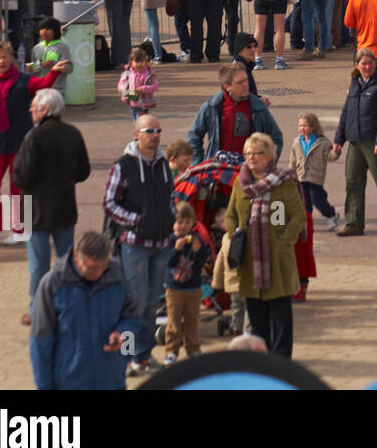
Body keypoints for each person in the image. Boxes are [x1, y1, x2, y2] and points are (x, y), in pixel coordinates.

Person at [0, 43, 69, 244]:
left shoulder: (24, 80)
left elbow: (43, 84)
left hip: (20, 142)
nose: (1, 61)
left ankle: (19, 229)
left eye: (5, 57)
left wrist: (54, 73)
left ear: (12, 59)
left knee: (18, 187)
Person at [102, 112, 174, 374]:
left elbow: (170, 197)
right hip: (135, 245)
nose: (155, 136)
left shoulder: (164, 163)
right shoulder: (123, 165)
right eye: (149, 131)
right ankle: (125, 357)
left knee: (152, 303)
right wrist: (136, 220)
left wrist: (171, 217)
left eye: (158, 131)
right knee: (134, 303)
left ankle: (142, 356)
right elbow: (109, 203)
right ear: (137, 134)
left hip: (162, 242)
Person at [11, 88, 90, 325]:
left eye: (34, 106)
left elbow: (20, 175)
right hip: (65, 206)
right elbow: (83, 171)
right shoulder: (73, 134)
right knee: (66, 262)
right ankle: (66, 306)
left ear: (45, 110)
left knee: (38, 264)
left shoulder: (33, 137)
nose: (30, 109)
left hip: (35, 209)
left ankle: (38, 310)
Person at [226, 131, 305, 356]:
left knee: (280, 317)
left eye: (257, 153)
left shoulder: (283, 182)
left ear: (270, 155)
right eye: (247, 153)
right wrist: (235, 236)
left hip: (277, 260)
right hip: (250, 261)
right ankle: (261, 361)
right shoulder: (239, 184)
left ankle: (280, 361)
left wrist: (283, 243)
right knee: (256, 315)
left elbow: (297, 216)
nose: (251, 158)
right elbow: (231, 215)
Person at [29, 231, 138, 390]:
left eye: (103, 266)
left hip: (112, 382)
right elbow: (40, 342)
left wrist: (123, 335)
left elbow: (133, 317)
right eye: (92, 268)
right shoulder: (52, 284)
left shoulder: (117, 276)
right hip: (70, 383)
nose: (99, 273)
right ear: (76, 258)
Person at [332, 47, 377, 237]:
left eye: (371, 63)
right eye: (363, 63)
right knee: (353, 182)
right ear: (356, 65)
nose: (367, 66)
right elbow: (346, 112)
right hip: (355, 141)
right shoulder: (354, 84)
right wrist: (339, 139)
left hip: (373, 142)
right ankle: (354, 222)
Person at [187, 63, 282, 162]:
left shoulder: (258, 107)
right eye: (240, 82)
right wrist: (198, 164)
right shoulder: (212, 106)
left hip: (248, 169)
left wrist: (266, 165)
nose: (245, 85)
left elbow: (276, 138)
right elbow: (194, 135)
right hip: (217, 168)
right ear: (227, 86)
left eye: (246, 80)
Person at [162, 200, 209, 364]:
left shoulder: (196, 240)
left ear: (192, 224)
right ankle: (171, 351)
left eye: (187, 222)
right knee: (173, 322)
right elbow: (169, 263)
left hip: (193, 288)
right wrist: (176, 250)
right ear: (172, 223)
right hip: (174, 289)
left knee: (191, 321)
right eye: (179, 222)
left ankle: (193, 349)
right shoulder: (169, 240)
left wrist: (199, 251)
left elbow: (201, 263)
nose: (183, 226)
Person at [292, 111, 337, 232]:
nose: (302, 128)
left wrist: (336, 152)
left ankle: (331, 215)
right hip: (301, 176)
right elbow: (293, 160)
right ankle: (307, 223)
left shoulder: (322, 142)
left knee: (317, 199)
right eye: (300, 125)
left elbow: (330, 157)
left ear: (313, 127)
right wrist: (290, 173)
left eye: (305, 125)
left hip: (315, 177)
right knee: (304, 202)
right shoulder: (297, 142)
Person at [117, 47, 158, 119]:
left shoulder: (148, 74)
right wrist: (123, 89)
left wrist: (143, 89)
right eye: (137, 61)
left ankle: (140, 128)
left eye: (142, 61)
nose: (139, 64)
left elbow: (155, 85)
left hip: (144, 103)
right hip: (132, 100)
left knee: (140, 121)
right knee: (137, 120)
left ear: (145, 62)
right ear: (131, 62)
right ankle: (139, 128)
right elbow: (121, 83)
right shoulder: (127, 73)